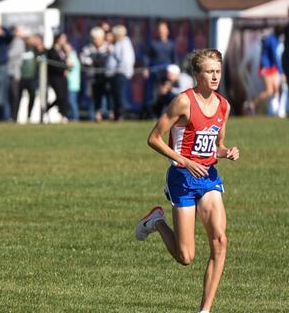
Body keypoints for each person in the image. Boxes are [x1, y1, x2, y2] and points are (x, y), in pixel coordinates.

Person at [137, 49, 238, 313]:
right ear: (196, 74)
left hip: (208, 177)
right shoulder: (183, 102)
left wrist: (226, 152)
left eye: (218, 71)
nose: (215, 76)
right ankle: (156, 221)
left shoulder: (223, 105)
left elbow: (215, 146)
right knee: (186, 257)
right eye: (209, 71)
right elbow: (154, 138)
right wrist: (185, 161)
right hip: (182, 177)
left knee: (220, 240)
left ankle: (204, 310)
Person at [247, 26, 284, 115]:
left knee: (275, 90)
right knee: (269, 91)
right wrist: (281, 71)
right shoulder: (273, 40)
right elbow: (275, 56)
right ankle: (252, 104)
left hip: (271, 67)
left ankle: (272, 111)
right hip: (266, 67)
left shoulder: (272, 39)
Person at [80, 27, 110, 122]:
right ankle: (95, 116)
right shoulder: (88, 48)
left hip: (106, 77)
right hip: (93, 77)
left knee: (107, 96)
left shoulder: (108, 47)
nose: (94, 40)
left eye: (96, 38)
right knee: (94, 97)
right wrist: (92, 61)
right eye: (93, 38)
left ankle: (108, 114)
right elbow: (83, 59)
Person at [106, 25, 135, 121]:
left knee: (119, 95)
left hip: (121, 73)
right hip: (115, 73)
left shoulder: (124, 43)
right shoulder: (118, 43)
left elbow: (124, 60)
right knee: (115, 95)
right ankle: (116, 115)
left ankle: (121, 114)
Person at [46, 33, 71, 121]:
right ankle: (47, 108)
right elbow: (54, 65)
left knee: (64, 96)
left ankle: (64, 115)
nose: (64, 40)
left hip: (63, 77)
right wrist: (64, 68)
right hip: (55, 77)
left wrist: (68, 54)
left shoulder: (62, 51)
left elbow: (65, 62)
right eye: (63, 38)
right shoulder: (51, 51)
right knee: (60, 96)